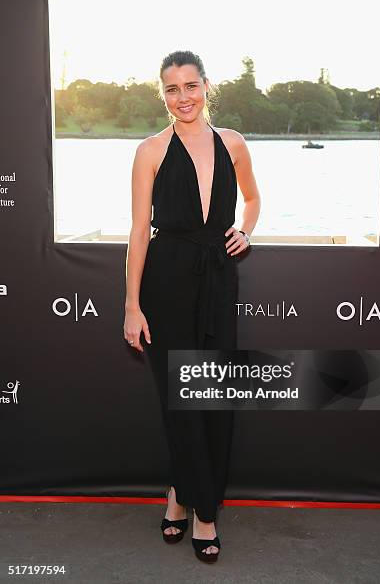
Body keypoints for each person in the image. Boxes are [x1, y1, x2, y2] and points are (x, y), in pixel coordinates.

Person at [123, 50, 260, 563]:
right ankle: (198, 509)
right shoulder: (150, 151)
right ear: (163, 95)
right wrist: (132, 306)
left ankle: (188, 500)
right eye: (172, 89)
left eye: (190, 86)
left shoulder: (234, 144)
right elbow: (139, 232)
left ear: (207, 86)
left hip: (219, 282)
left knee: (213, 398)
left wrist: (245, 230)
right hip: (166, 285)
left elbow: (251, 198)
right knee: (179, 400)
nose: (183, 97)